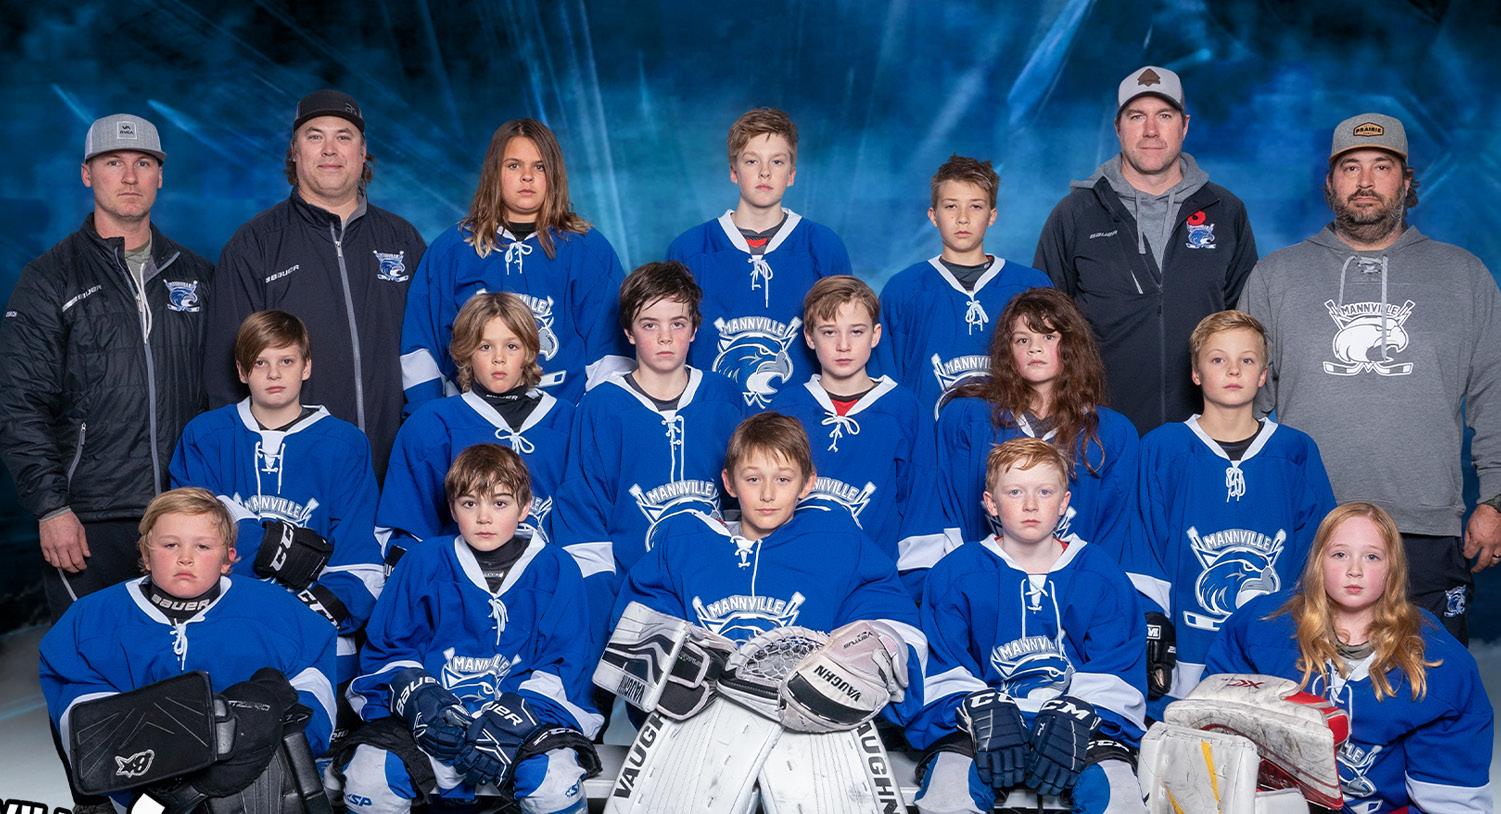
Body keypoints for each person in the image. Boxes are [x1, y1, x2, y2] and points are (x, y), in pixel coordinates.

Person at [1239, 113, 1501, 645]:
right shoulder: (1276, 276)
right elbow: (1245, 404)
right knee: (1305, 681)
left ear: (1406, 181)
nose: (1365, 181)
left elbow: (1493, 392)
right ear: (1330, 182)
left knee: (1428, 677)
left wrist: (1495, 499)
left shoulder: (1463, 276)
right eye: (1350, 167)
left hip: (1424, 524)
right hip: (1309, 522)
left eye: (1381, 167)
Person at [0, 113, 213, 620]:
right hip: (90, 516)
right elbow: (19, 403)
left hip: (185, 511)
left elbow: (225, 394)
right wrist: (52, 507)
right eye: (113, 162)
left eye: (144, 163)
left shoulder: (199, 275)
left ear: (160, 176)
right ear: (87, 174)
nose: (130, 176)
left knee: (184, 656)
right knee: (93, 657)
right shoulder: (49, 279)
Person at [338, 444, 600, 814]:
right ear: (452, 508)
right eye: (469, 503)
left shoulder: (557, 568)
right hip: (435, 722)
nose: (484, 517)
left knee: (553, 782)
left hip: (524, 720)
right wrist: (419, 699)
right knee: (371, 775)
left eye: (500, 503)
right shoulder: (424, 561)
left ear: (526, 507)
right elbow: (389, 649)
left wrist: (515, 719)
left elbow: (566, 661)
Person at [39, 487, 338, 810]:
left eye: (203, 546)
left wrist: (274, 729)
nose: (185, 557)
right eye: (170, 545)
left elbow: (314, 683)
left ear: (228, 558)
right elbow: (83, 718)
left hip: (263, 789)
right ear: (145, 554)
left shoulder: (274, 610)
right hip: (145, 796)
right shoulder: (91, 620)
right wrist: (155, 773)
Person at [908, 438, 1146, 813]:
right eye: (1015, 492)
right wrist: (977, 706)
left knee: (1119, 796)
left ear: (1064, 502)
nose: (1031, 505)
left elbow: (1119, 662)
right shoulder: (957, 571)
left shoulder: (1100, 573)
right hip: (981, 724)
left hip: (1080, 726)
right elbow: (940, 659)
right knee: (948, 790)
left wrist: (1080, 711)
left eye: (1045, 492)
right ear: (991, 503)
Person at [1206, 502, 1493, 812]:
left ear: (1393, 568)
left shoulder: (1437, 662)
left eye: (1372, 557)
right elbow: (1214, 734)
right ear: (1318, 562)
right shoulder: (1261, 626)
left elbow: (1450, 799)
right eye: (1340, 554)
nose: (1354, 570)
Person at [1125, 310, 1335, 719]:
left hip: (1273, 650)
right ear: (1196, 373)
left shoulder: (1295, 450)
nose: (1234, 370)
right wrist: (1151, 621)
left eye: (1247, 360)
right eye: (1218, 359)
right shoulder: (1163, 448)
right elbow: (1142, 543)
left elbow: (1318, 549)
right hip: (1186, 653)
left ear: (1263, 375)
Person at [206, 89, 426, 478]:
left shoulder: (403, 240)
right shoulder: (255, 245)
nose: (329, 150)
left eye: (343, 136)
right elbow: (226, 379)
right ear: (294, 151)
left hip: (398, 468)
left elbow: (433, 354)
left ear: (362, 152)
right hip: (297, 474)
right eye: (314, 136)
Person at [1034, 65, 1258, 434]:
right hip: (1099, 433)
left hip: (1206, 435)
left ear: (1184, 125)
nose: (1151, 130)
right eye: (1137, 116)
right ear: (1118, 128)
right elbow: (1044, 325)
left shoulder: (1226, 211)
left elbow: (1246, 325)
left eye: (1164, 116)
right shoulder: (1075, 214)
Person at [169, 310, 383, 687]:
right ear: (242, 371)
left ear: (306, 366)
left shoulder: (345, 444)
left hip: (316, 632)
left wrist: (292, 620)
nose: (273, 374)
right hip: (224, 626)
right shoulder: (205, 436)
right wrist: (275, 546)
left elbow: (358, 557)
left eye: (286, 361)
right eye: (260, 363)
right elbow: (192, 537)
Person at [551, 261, 744, 639]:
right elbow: (582, 515)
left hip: (716, 599)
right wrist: (606, 613)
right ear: (629, 331)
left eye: (678, 323)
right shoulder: (601, 407)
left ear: (695, 329)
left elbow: (745, 499)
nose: (665, 338)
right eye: (650, 324)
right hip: (630, 602)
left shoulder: (723, 397)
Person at [400, 118, 629, 409]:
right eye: (514, 165)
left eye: (539, 167)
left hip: (563, 420)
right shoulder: (452, 250)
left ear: (554, 174)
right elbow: (422, 346)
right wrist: (433, 416)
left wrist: (591, 420)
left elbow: (610, 352)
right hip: (472, 420)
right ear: (494, 172)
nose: (527, 177)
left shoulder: (587, 249)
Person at [769, 276, 955, 597]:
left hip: (875, 585)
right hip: (794, 579)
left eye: (856, 331)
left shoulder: (904, 410)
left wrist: (909, 591)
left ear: (875, 335)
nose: (843, 345)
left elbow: (921, 506)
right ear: (810, 338)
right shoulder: (786, 407)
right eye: (829, 332)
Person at [667, 107, 852, 409]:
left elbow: (847, 342)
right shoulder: (689, 250)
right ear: (733, 171)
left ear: (791, 174)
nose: (765, 172)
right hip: (711, 415)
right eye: (752, 161)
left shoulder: (822, 246)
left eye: (777, 162)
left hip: (798, 421)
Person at [937, 288, 1140, 557]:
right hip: (984, 574)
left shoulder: (1112, 432)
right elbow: (952, 513)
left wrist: (1085, 576)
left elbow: (1113, 531)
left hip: (1076, 578)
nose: (1034, 348)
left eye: (1048, 336)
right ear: (1007, 351)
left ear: (1071, 345)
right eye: (1022, 340)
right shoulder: (967, 418)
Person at [380, 292, 574, 556]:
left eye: (511, 346)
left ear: (530, 350)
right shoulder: (432, 425)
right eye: (485, 347)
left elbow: (587, 520)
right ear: (466, 352)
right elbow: (409, 530)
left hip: (548, 575)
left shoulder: (569, 421)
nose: (498, 358)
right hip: (459, 577)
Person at [874, 155, 1050, 417]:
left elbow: (1057, 375)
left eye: (976, 206)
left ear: (992, 216)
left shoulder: (1031, 285)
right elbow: (884, 382)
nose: (963, 218)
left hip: (1016, 440)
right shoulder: (903, 289)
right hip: (929, 439)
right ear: (933, 216)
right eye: (951, 206)